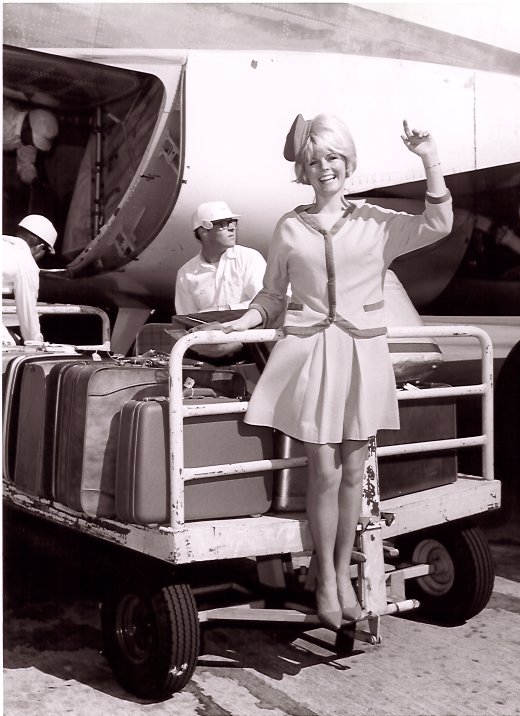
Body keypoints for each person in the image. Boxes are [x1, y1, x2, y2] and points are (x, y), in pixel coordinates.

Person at [195, 114, 453, 629]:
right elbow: (272, 295)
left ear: (348, 163)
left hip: (362, 355)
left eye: (333, 157)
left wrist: (429, 158)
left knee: (354, 472)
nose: (324, 167)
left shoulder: (377, 222)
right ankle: (328, 582)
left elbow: (438, 224)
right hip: (312, 356)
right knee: (325, 471)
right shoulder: (289, 226)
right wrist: (240, 323)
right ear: (304, 171)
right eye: (314, 161)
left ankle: (338, 572)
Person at [175, 200, 267, 360]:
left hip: (251, 348)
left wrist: (221, 310)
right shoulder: (186, 273)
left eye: (233, 222)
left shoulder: (250, 258)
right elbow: (188, 322)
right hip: (207, 352)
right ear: (203, 231)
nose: (232, 228)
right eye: (224, 223)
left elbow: (264, 305)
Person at [2, 214, 57, 344]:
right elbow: (27, 313)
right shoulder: (25, 261)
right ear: (40, 247)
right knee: (9, 344)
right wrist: (36, 344)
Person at [3, 99, 59, 186]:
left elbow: (25, 165)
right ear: (27, 128)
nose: (33, 145)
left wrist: (34, 182)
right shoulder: (5, 120)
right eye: (34, 141)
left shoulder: (27, 139)